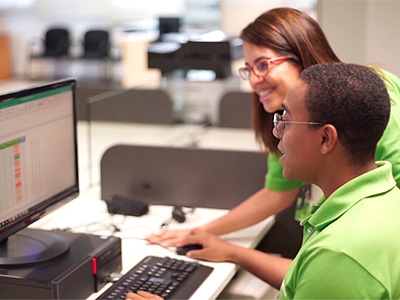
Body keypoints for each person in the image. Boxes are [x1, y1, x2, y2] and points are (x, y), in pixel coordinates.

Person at [145, 6, 400, 289]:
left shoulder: (364, 108)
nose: (254, 80)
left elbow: (375, 237)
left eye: (263, 64)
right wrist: (200, 232)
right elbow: (276, 193)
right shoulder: (295, 122)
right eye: (248, 68)